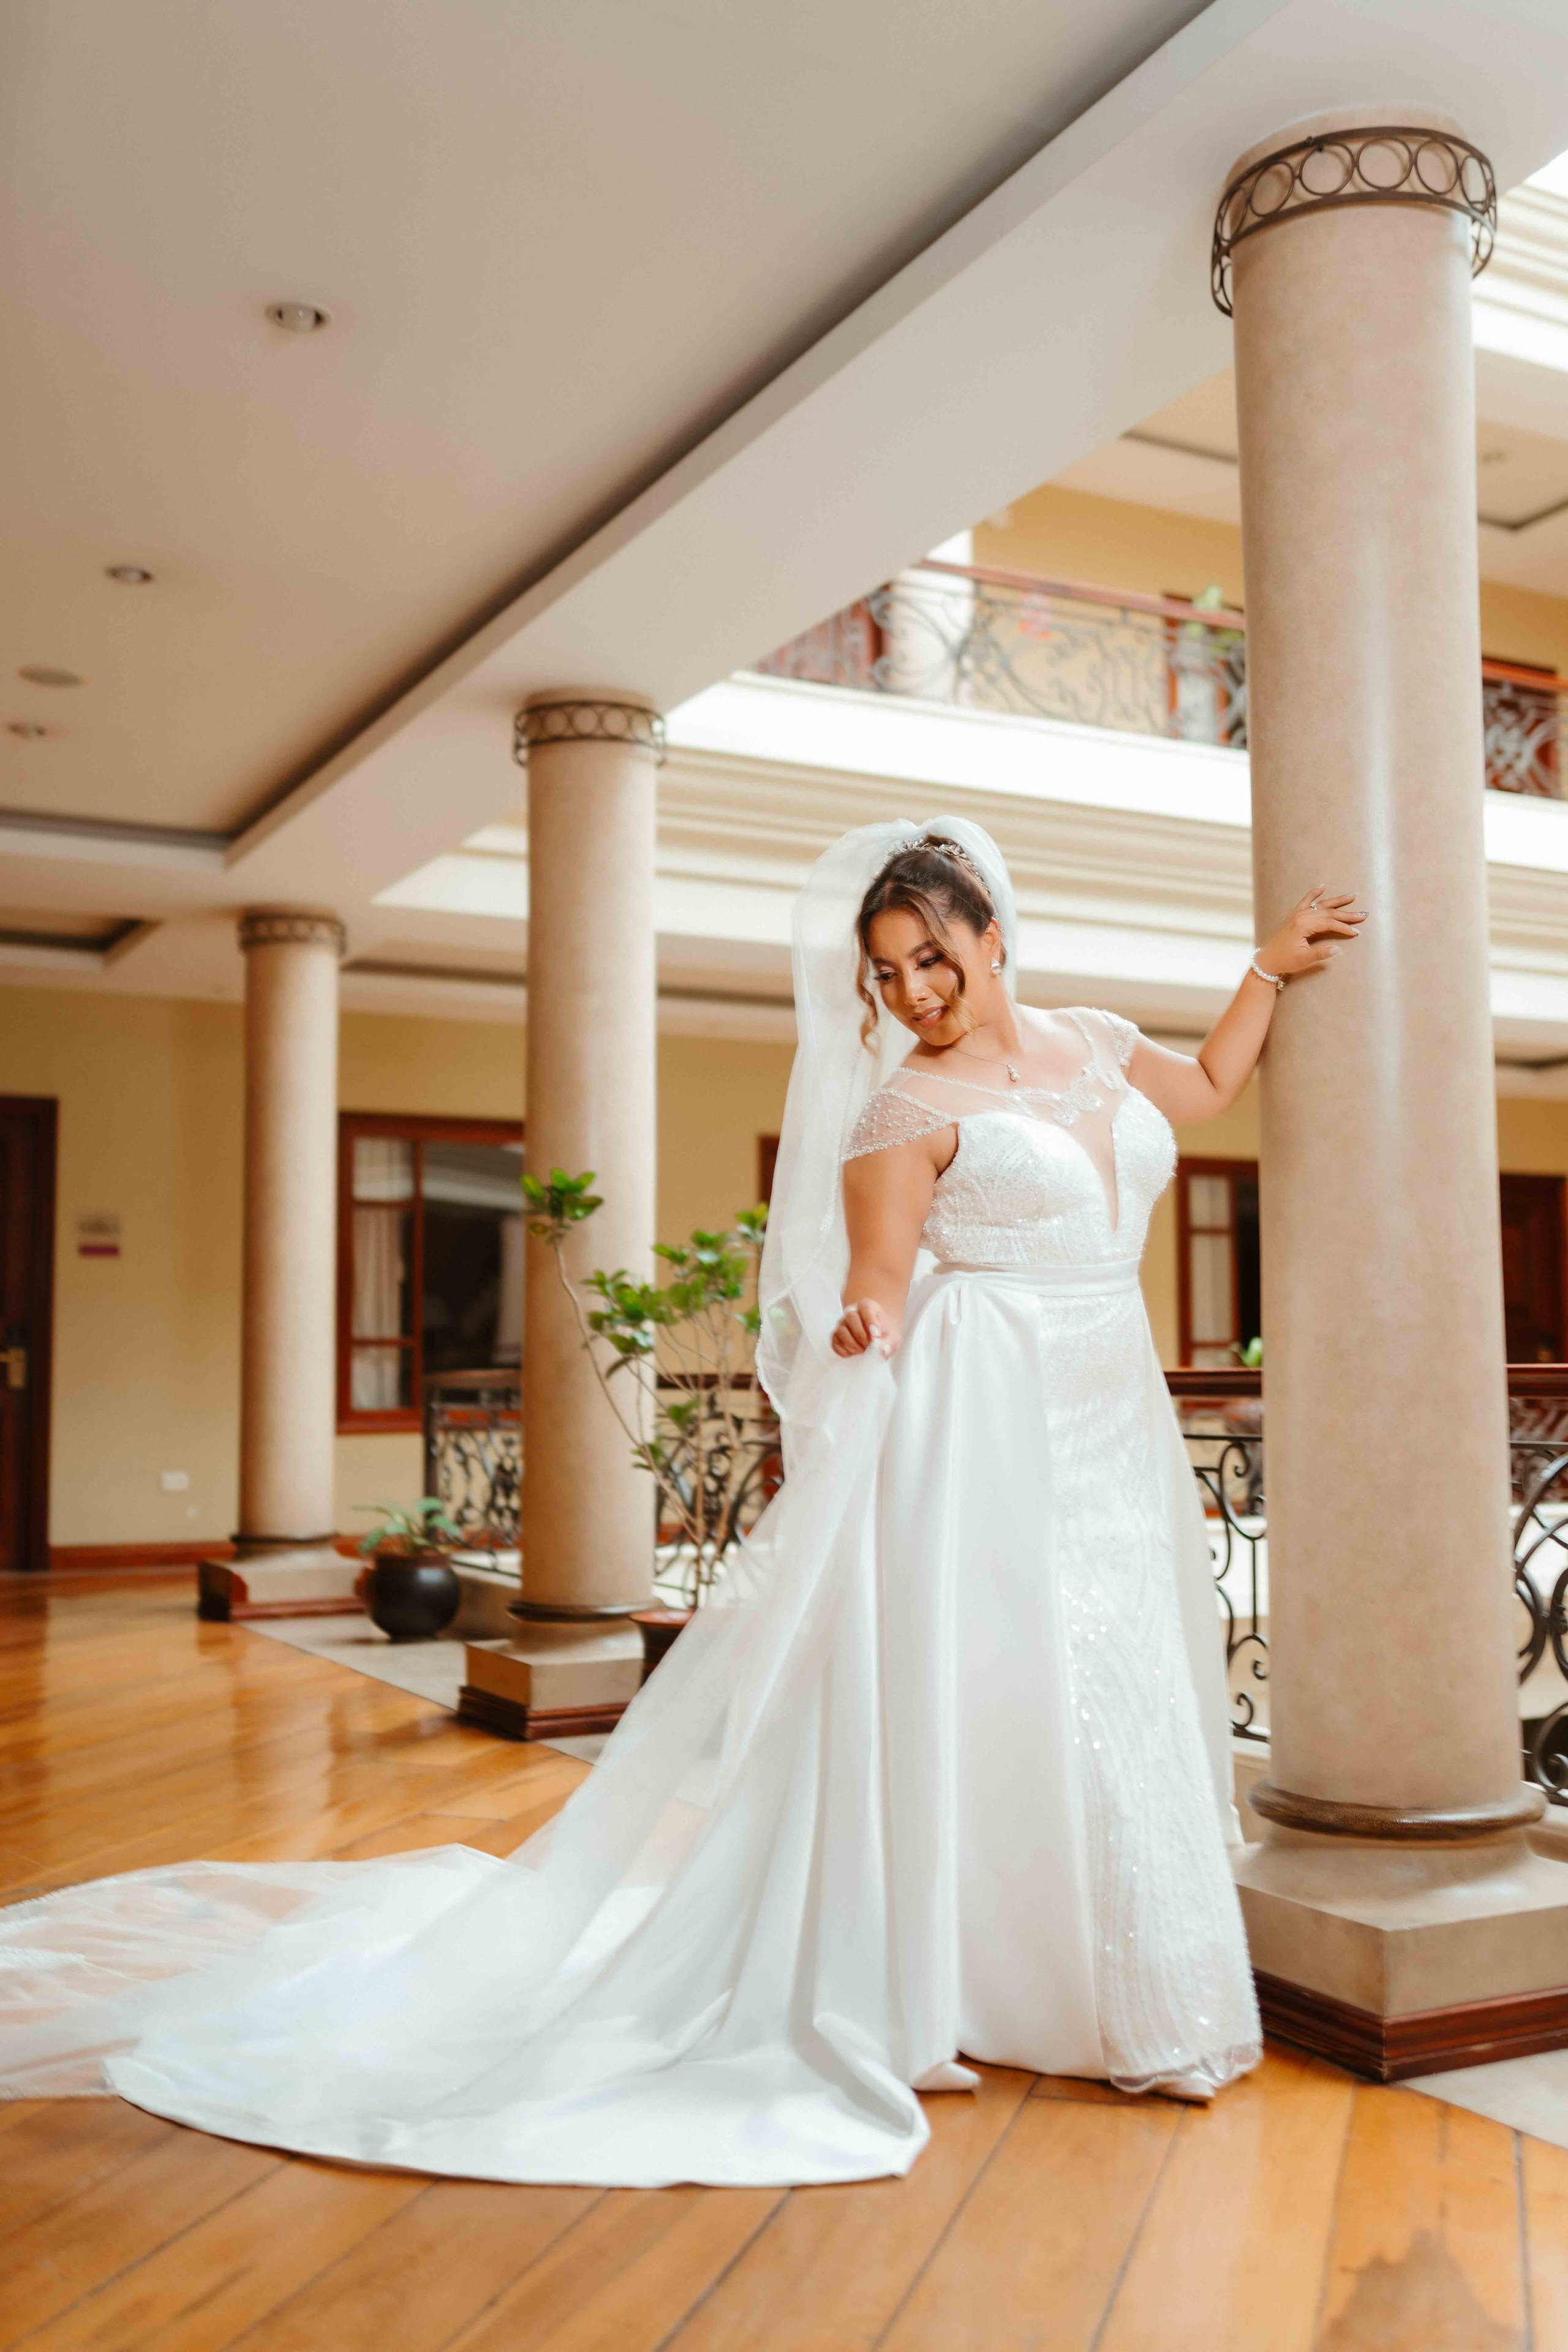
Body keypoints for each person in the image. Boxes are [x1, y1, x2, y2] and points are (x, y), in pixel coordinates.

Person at [0, 818, 1362, 2187]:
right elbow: (879, 1280)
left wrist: (1267, 968)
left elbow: (1206, 1091)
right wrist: (865, 1328)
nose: (912, 992)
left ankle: (1129, 1968)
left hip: (1109, 1401)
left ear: (991, 935)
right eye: (886, 973)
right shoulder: (899, 1112)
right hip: (986, 1408)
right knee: (1013, 1676)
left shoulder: (1099, 1041)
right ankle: (1014, 1985)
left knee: (1123, 1667)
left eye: (931, 958)